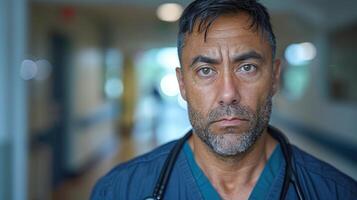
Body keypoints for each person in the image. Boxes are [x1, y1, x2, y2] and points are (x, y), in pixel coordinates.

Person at [91, 0, 357, 199]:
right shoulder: (119, 191)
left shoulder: (336, 192)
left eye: (247, 67)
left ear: (275, 77)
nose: (228, 93)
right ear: (183, 84)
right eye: (206, 71)